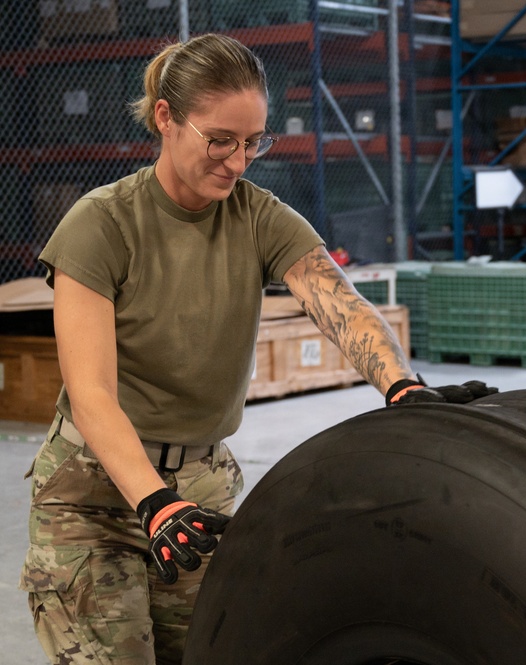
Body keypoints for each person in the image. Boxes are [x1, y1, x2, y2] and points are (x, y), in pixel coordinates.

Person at [20, 33, 496, 665]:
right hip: (94, 497)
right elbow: (91, 393)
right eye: (220, 140)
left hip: (201, 489)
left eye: (254, 142)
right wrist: (154, 503)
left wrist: (400, 385)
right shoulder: (101, 224)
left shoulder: (258, 216)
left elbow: (339, 302)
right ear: (166, 117)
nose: (238, 162)